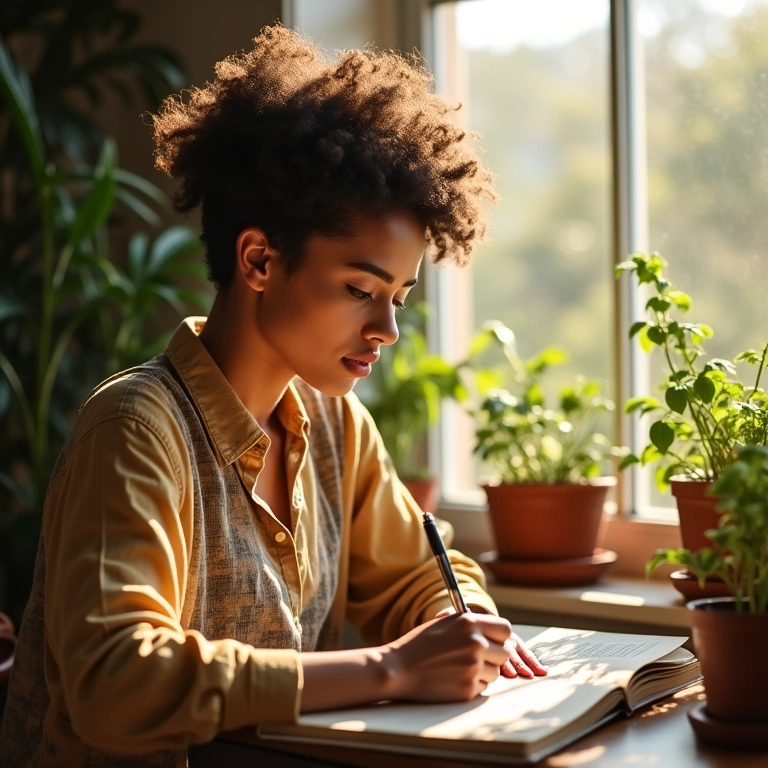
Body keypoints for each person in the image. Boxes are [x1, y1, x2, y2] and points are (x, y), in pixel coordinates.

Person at [0, 25, 547, 767]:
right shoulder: (134, 431)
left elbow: (424, 574)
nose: (386, 328)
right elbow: (114, 680)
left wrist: (470, 626)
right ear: (258, 260)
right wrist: (389, 670)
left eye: (400, 296)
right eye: (360, 289)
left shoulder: (333, 422)